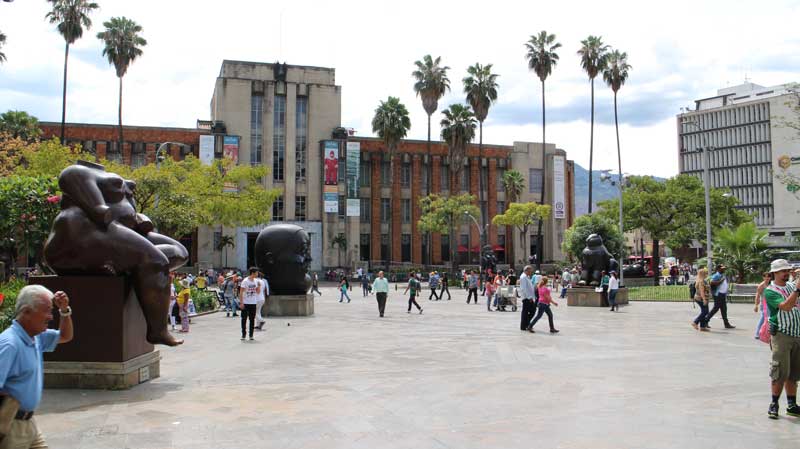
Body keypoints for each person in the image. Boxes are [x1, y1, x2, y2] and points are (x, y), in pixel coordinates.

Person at [0, 285, 73, 448]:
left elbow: (65, 336)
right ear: (26, 312)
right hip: (12, 427)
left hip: (29, 423)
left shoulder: (36, 337)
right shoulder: (9, 345)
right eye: (47, 310)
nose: (50, 316)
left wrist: (64, 310)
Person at [764, 259, 800, 419]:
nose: (786, 273)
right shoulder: (771, 291)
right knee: (780, 372)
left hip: (797, 333)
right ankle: (774, 403)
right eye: (782, 271)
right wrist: (797, 291)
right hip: (782, 335)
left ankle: (792, 404)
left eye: (787, 270)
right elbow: (785, 306)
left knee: (794, 373)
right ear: (774, 273)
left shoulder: (792, 286)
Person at [707, 264, 735, 329]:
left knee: (724, 309)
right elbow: (711, 282)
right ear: (718, 269)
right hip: (718, 295)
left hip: (722, 294)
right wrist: (721, 281)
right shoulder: (716, 275)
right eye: (722, 268)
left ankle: (726, 324)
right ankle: (705, 321)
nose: (724, 269)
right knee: (715, 309)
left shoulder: (722, 275)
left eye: (724, 268)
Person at [238, 267, 261, 341]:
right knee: (244, 319)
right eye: (257, 273)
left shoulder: (256, 281)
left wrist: (259, 286)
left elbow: (257, 292)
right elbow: (241, 292)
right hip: (246, 302)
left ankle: (251, 334)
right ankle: (243, 334)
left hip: (253, 302)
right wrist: (241, 303)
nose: (257, 274)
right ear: (253, 273)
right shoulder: (245, 281)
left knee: (252, 319)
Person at [754, 272, 771, 340]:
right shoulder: (761, 285)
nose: (767, 278)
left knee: (769, 319)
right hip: (764, 303)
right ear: (763, 277)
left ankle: (767, 333)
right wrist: (756, 305)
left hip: (770, 303)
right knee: (763, 318)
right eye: (765, 277)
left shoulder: (771, 284)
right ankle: (757, 333)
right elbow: (757, 295)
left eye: (768, 277)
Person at [518, 266, 536, 330]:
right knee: (529, 311)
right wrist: (529, 297)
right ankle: (525, 325)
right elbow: (524, 288)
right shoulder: (523, 277)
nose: (531, 272)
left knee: (529, 311)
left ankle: (526, 324)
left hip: (529, 297)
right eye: (530, 271)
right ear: (527, 270)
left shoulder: (526, 277)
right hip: (527, 298)